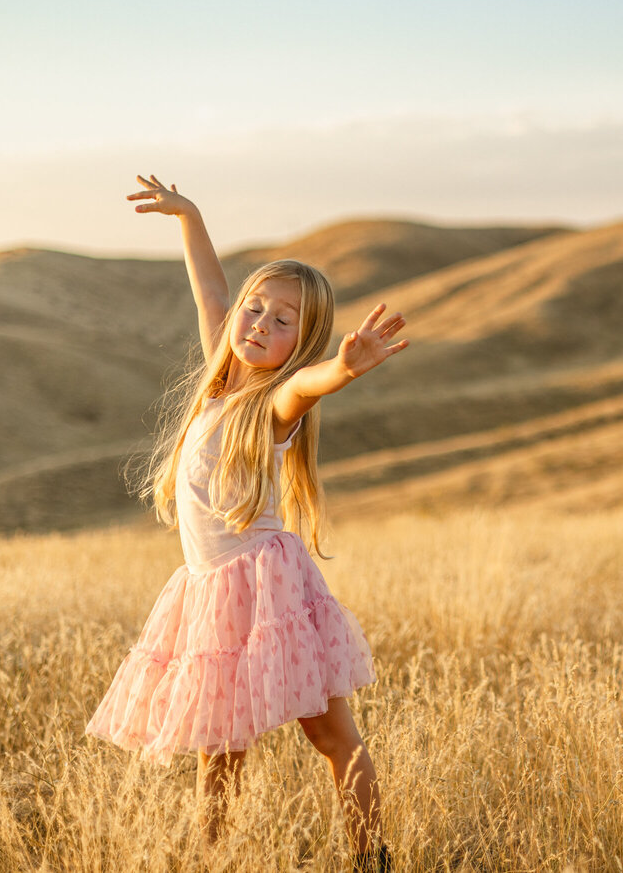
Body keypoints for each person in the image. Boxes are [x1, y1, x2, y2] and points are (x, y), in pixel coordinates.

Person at [85, 174, 404, 872]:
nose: (260, 322)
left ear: (303, 340)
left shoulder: (273, 404)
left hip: (267, 590)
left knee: (331, 732)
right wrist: (189, 216)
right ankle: (213, 859)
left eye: (283, 319)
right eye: (257, 309)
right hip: (208, 595)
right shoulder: (220, 382)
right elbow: (212, 292)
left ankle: (370, 857)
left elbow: (304, 385)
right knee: (217, 748)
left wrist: (342, 370)